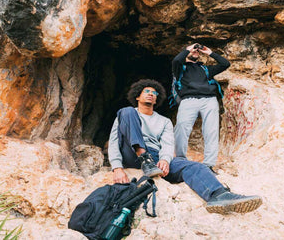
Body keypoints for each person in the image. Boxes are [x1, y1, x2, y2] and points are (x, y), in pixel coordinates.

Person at [108, 79, 262, 214]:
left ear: (157, 99)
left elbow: (168, 144)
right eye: (146, 91)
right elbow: (115, 141)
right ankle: (144, 158)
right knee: (126, 111)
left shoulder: (164, 121)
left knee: (195, 167)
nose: (151, 94)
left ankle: (219, 195)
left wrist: (165, 160)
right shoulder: (126, 114)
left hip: (155, 157)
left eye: (154, 93)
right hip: (131, 154)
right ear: (137, 96)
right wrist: (117, 167)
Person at [172, 43, 230, 171]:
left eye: (197, 52)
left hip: (209, 100)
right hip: (188, 100)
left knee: (211, 131)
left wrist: (209, 53)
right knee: (181, 127)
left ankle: (209, 165)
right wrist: (188, 49)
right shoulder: (180, 68)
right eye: (194, 51)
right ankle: (180, 159)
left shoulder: (205, 69)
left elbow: (225, 64)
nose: (196, 52)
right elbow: (176, 60)